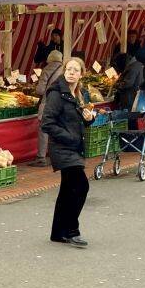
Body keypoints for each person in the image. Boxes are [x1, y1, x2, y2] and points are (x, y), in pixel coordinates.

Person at [41, 58, 95, 248]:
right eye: (69, 69)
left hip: (74, 147)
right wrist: (68, 137)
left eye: (75, 70)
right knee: (81, 186)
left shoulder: (77, 94)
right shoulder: (57, 93)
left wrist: (88, 119)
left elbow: (76, 120)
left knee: (67, 190)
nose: (71, 72)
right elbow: (47, 122)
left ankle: (57, 232)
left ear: (81, 74)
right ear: (64, 71)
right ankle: (72, 230)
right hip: (63, 148)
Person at [29, 50, 64, 167]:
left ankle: (41, 157)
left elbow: (40, 90)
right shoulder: (65, 70)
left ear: (50, 58)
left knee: (44, 130)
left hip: (48, 102)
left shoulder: (47, 69)